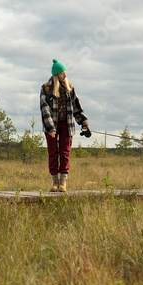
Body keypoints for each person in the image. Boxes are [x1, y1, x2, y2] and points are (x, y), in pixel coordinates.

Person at [40, 59, 89, 193]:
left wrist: (84, 122)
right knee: (53, 153)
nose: (65, 76)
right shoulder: (46, 88)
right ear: (56, 75)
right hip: (52, 126)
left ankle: (63, 182)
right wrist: (51, 128)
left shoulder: (69, 87)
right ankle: (54, 182)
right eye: (62, 73)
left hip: (67, 125)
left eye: (65, 73)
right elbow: (45, 109)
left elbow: (76, 106)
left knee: (65, 152)